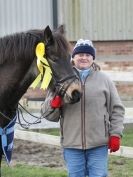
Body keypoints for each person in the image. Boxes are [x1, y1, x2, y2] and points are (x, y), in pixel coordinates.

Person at [42, 39, 125, 177]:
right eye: (80, 54)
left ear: (93, 58)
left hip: (98, 144)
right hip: (72, 145)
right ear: (73, 57)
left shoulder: (104, 80)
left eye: (88, 55)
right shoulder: (61, 80)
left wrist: (115, 134)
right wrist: (54, 103)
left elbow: (117, 109)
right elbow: (48, 115)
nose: (84, 58)